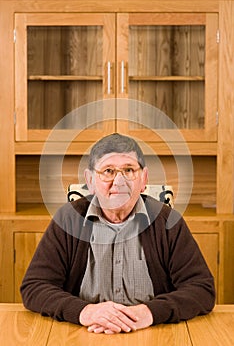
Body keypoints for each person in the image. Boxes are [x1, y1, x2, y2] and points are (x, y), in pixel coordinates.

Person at [21, 133, 215, 334]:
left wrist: (149, 312)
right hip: (83, 333)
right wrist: (86, 312)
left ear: (143, 179)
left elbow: (201, 289)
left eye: (129, 170)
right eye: (108, 171)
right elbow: (35, 286)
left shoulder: (167, 221)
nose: (119, 181)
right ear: (91, 180)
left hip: (152, 333)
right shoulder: (68, 220)